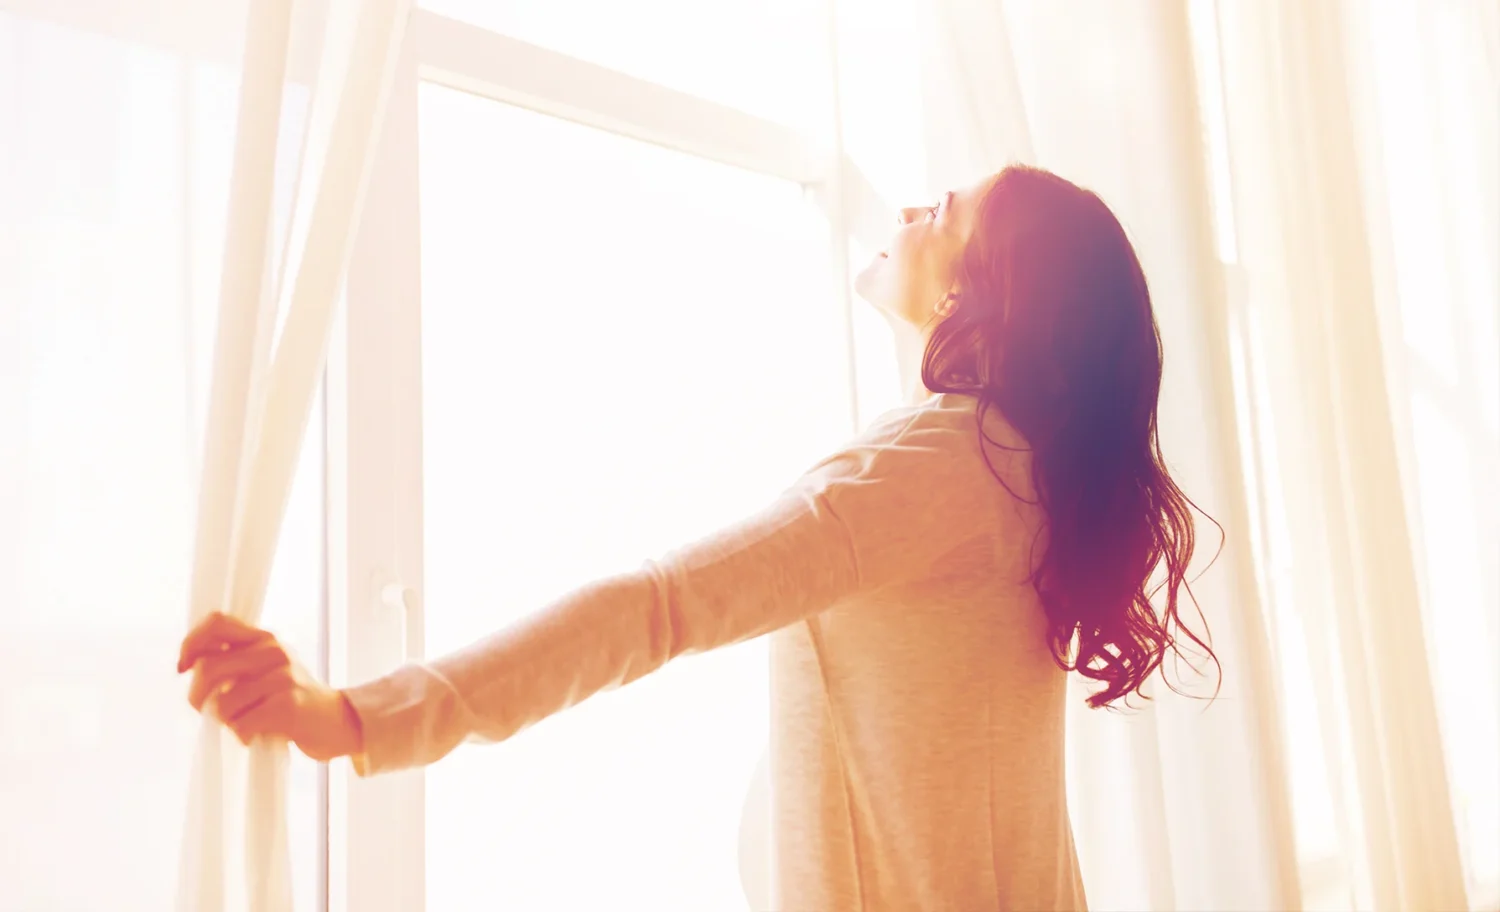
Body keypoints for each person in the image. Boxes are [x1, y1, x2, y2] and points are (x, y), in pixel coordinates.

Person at [178, 164, 1215, 911]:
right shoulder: (1018, 472)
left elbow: (659, 605)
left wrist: (358, 718)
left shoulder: (937, 470)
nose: (909, 206)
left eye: (943, 209)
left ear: (969, 291)